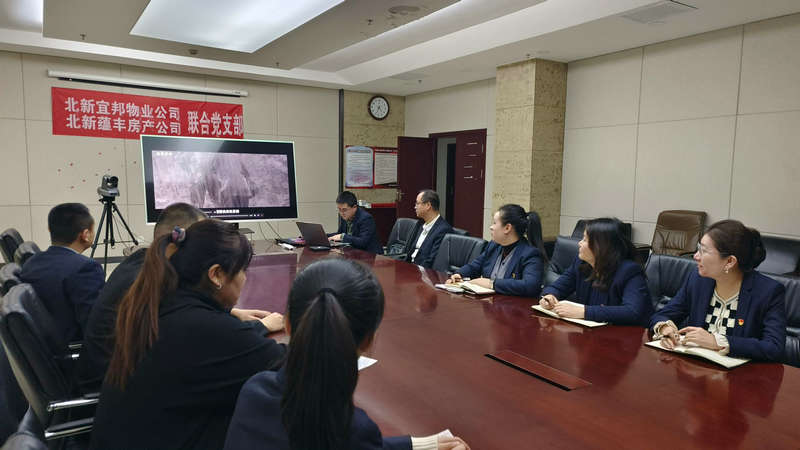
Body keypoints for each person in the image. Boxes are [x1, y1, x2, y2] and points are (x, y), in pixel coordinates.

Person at [224, 258, 469, 450]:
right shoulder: (350, 427)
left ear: (287, 325)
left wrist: (422, 445)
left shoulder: (255, 391)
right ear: (370, 339)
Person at [90, 220, 286, 450]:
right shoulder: (206, 328)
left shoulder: (158, 304)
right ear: (216, 275)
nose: (244, 278)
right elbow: (292, 363)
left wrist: (247, 324)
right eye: (243, 270)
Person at [75, 203, 278, 393]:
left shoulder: (143, 266)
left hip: (121, 387)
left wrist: (231, 312)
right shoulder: (157, 285)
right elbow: (204, 336)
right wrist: (260, 326)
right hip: (108, 390)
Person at [649, 219, 786, 361]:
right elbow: (662, 315)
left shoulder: (768, 292)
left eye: (704, 251)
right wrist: (665, 329)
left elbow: (774, 347)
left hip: (740, 373)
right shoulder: (698, 280)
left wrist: (718, 342)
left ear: (730, 262)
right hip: (694, 368)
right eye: (698, 248)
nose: (696, 256)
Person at [538, 218, 652, 326]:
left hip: (621, 336)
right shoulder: (581, 263)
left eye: (585, 239)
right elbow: (557, 287)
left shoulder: (630, 271)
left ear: (601, 246)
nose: (579, 243)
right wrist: (549, 296)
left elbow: (632, 312)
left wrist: (584, 312)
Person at [19, 203, 104, 343]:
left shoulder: (31, 262)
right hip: (76, 347)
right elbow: (97, 326)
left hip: (47, 342)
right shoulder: (86, 268)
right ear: (86, 235)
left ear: (50, 230)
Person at [446, 204, 544, 297]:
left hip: (512, 306)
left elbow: (530, 285)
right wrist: (459, 274)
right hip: (490, 303)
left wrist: (491, 284)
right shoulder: (494, 246)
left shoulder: (530, 254)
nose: (491, 227)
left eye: (494, 223)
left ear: (507, 228)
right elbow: (475, 266)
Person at [404, 190, 453, 268]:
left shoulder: (443, 230)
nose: (415, 207)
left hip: (423, 271)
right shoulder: (420, 225)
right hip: (410, 267)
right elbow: (410, 253)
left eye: (417, 203)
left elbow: (431, 261)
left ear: (428, 205)